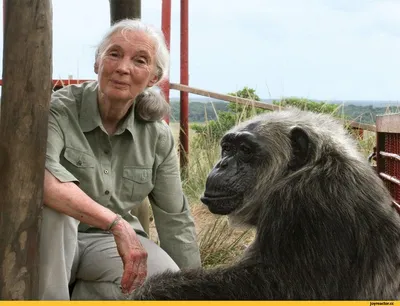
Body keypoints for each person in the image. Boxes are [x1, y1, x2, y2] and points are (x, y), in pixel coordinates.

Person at [39, 18, 201, 300]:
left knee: (163, 280)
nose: (123, 68)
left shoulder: (157, 136)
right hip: (49, 244)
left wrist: (196, 291)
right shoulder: (57, 111)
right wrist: (117, 223)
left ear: (153, 77)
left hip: (106, 245)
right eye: (114, 54)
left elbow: (174, 218)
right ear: (97, 63)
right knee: (57, 213)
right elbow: (46, 184)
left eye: (140, 60)